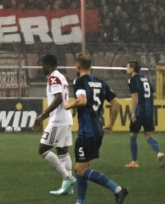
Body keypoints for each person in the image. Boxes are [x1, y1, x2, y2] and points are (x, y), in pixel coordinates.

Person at [63, 53, 129, 204]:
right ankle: (80, 201)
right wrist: (111, 124)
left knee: (81, 170)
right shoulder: (100, 82)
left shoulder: (79, 81)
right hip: (97, 129)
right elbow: (116, 103)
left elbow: (82, 100)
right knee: (81, 166)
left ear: (78, 65)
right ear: (90, 65)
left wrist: (68, 105)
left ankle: (118, 189)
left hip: (87, 131)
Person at [31, 54, 75, 195]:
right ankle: (68, 188)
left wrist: (42, 116)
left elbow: (58, 98)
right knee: (63, 152)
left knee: (43, 149)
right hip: (66, 119)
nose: (41, 67)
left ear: (48, 64)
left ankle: (67, 177)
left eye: (42, 64)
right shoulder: (61, 77)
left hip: (59, 120)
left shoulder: (54, 78)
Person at [125, 60, 165, 168]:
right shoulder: (145, 78)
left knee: (133, 135)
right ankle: (159, 153)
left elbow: (135, 96)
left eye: (127, 67)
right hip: (148, 111)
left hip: (139, 111)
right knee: (149, 136)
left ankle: (134, 161)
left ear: (133, 68)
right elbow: (153, 93)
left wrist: (133, 112)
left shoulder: (132, 80)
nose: (126, 69)